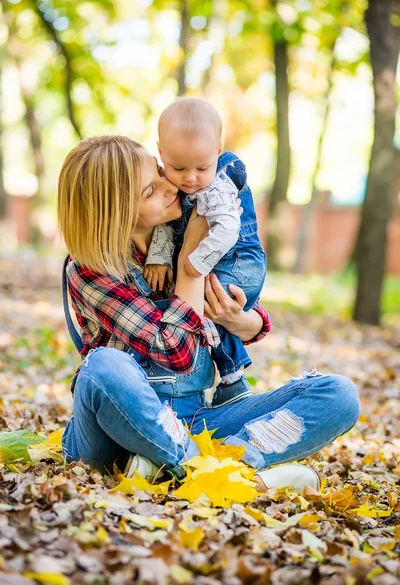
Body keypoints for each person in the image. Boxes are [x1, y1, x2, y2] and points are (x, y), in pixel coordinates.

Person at [59, 135, 360, 494]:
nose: (172, 186)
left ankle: (191, 462)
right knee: (104, 366)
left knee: (338, 394)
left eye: (159, 173)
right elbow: (176, 352)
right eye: (150, 191)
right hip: (111, 435)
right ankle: (223, 474)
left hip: (193, 419)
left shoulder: (177, 230)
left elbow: (237, 303)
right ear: (115, 212)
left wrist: (247, 322)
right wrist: (191, 267)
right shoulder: (89, 269)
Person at [144, 98, 266, 408]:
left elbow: (225, 232)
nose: (191, 178)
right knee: (202, 308)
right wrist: (159, 258)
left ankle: (232, 378)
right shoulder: (168, 185)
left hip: (239, 265)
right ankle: (229, 380)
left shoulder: (218, 188)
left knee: (199, 311)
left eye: (202, 167)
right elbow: (166, 222)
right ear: (161, 153)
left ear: (218, 151)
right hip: (215, 263)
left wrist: (192, 267)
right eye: (178, 167)